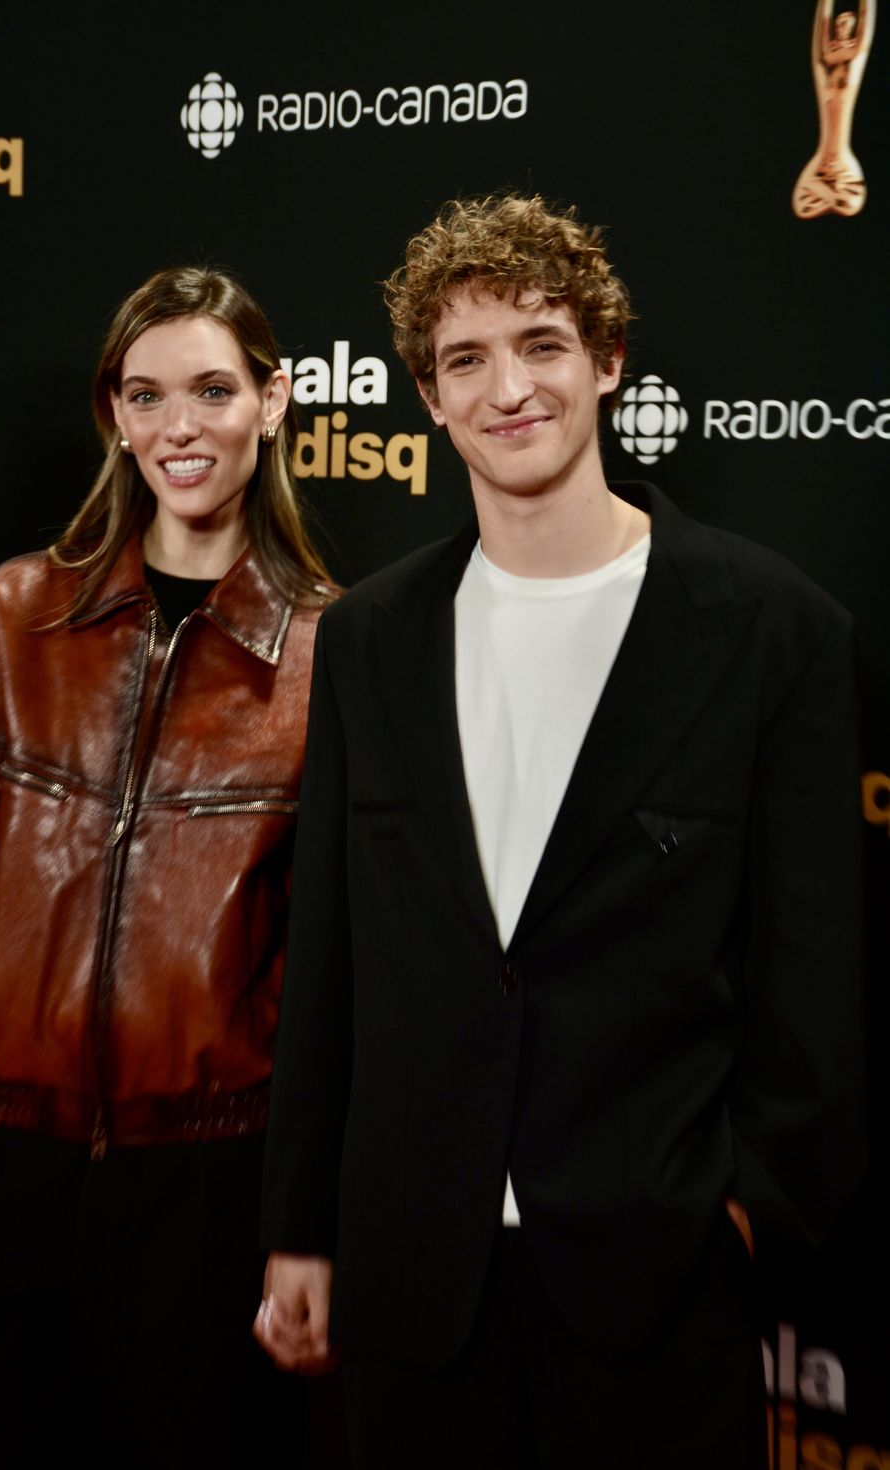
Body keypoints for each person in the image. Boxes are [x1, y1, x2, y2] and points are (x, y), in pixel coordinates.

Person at [255, 195, 866, 1468]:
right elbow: (330, 958)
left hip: (653, 1280)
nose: (507, 389)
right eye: (463, 360)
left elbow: (813, 975)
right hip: (412, 1277)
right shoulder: (369, 635)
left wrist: (744, 1217)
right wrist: (301, 1225)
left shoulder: (771, 628)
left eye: (539, 342)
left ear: (606, 361)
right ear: (425, 398)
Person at [0, 266, 331, 1468]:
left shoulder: (337, 654)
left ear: (276, 400)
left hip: (209, 1195)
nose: (178, 428)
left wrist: (303, 1220)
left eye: (211, 390)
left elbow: (335, 981)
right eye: (145, 396)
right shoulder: (10, 621)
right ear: (114, 415)